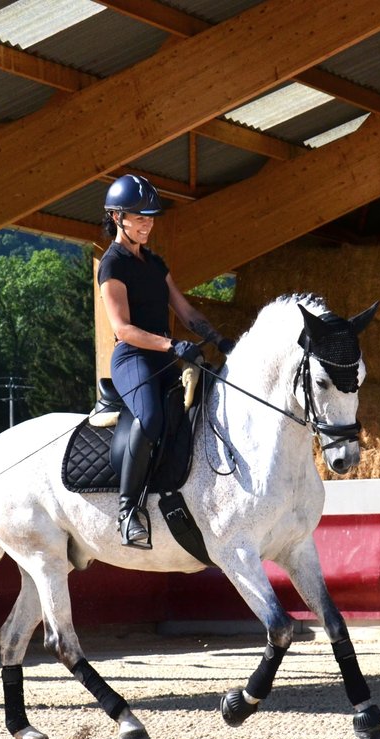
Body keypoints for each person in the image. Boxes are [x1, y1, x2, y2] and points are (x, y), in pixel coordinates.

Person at [97, 174, 236, 549]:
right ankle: (128, 513)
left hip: (163, 354)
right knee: (152, 417)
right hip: (133, 359)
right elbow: (123, 329)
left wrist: (219, 339)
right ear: (116, 216)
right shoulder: (112, 266)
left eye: (150, 217)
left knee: (203, 405)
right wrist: (173, 346)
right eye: (139, 217)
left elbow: (185, 310)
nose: (147, 223)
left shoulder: (155, 263)